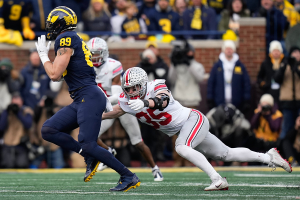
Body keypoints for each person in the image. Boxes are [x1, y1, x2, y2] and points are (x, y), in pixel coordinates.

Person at [102, 67, 292, 191]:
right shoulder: (127, 101)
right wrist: (90, 116)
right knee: (226, 154)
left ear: (143, 84)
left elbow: (163, 100)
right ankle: (269, 157)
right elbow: (114, 111)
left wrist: (145, 102)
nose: (131, 92)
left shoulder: (156, 85)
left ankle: (217, 179)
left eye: (135, 88)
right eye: (128, 89)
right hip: (186, 127)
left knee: (181, 147)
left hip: (193, 119)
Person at [34, 6, 140, 192]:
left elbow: (54, 75)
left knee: (88, 142)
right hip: (82, 97)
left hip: (88, 96)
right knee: (49, 129)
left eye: (52, 23)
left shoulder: (65, 38)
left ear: (61, 23)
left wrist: (43, 55)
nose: (49, 26)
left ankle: (128, 176)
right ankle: (90, 156)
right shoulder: (72, 39)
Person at [86, 37, 164, 181]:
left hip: (121, 103)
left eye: (97, 53)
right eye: (91, 53)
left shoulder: (113, 66)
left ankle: (154, 168)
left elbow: (116, 93)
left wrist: (102, 102)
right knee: (89, 134)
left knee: (137, 141)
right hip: (103, 105)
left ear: (104, 53)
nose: (94, 57)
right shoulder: (85, 67)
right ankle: (109, 152)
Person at [207, 40, 251, 114]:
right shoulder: (217, 66)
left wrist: (246, 98)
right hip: (220, 102)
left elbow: (246, 83)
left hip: (237, 103)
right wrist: (210, 97)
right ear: (224, 50)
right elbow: (211, 82)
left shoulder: (240, 66)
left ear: (234, 50)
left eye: (231, 48)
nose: (229, 50)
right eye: (227, 48)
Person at [0, 94, 33, 168]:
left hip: (21, 144)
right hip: (7, 144)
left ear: (22, 102)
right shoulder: (7, 112)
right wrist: (6, 112)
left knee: (21, 165)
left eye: (18, 104)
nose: (16, 106)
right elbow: (1, 127)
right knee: (7, 166)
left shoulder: (26, 111)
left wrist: (18, 113)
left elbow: (28, 125)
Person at [274, 46, 300, 140]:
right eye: (294, 53)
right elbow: (276, 79)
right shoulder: (284, 65)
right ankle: (281, 150)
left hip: (299, 102)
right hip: (287, 103)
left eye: (298, 53)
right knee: (286, 128)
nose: (296, 55)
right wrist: (284, 65)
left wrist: (296, 69)